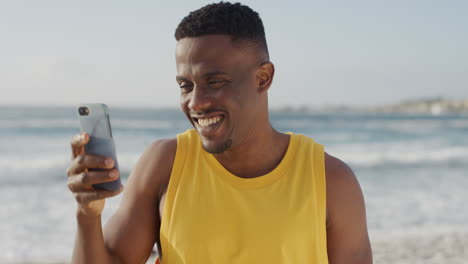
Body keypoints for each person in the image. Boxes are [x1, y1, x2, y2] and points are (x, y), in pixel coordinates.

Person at [66, 2, 372, 264]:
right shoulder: (165, 164)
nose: (195, 103)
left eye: (215, 81)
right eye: (185, 85)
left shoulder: (332, 181)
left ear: (262, 78)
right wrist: (87, 213)